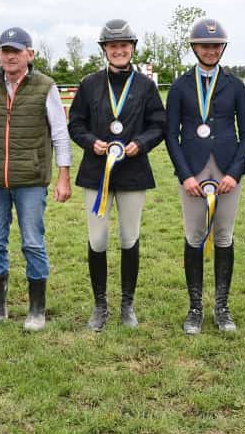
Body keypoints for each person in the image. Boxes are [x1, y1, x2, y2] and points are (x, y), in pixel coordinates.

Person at [0, 26, 72, 332]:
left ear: (30, 54)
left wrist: (63, 177)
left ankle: (36, 310)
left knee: (32, 243)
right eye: (5, 51)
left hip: (31, 178)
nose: (10, 57)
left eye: (16, 51)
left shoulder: (46, 86)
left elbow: (60, 135)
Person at [67, 19, 166, 331]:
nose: (119, 50)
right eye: (113, 46)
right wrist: (90, 142)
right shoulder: (90, 84)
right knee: (97, 238)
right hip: (97, 172)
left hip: (133, 171)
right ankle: (100, 305)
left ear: (132, 48)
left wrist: (140, 143)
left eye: (124, 46)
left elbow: (159, 125)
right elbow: (76, 123)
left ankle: (127, 303)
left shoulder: (146, 86)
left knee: (128, 237)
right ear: (105, 50)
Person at [165, 17, 245, 334]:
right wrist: (184, 175)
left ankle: (222, 307)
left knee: (224, 236)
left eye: (216, 45)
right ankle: (195, 308)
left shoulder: (235, 85)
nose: (211, 50)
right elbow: (170, 135)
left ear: (222, 48)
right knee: (194, 236)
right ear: (195, 48)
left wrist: (236, 172)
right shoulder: (179, 86)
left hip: (227, 171)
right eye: (205, 45)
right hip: (193, 171)